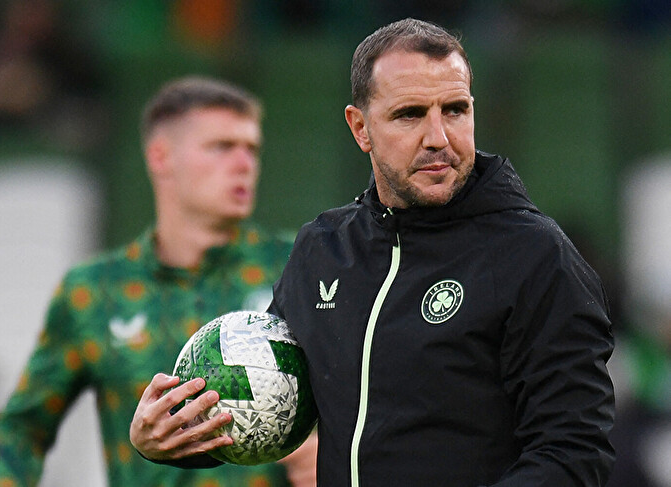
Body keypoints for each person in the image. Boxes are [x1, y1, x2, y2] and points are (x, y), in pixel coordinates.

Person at [130, 19, 615, 486]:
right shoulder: (323, 249)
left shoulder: (535, 256)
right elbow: (271, 408)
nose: (438, 138)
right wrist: (175, 434)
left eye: (454, 110)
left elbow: (574, 452)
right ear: (360, 128)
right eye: (410, 115)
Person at [0, 76, 316, 487]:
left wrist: (329, 444)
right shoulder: (94, 291)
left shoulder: (301, 263)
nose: (244, 164)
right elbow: (19, 432)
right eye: (222, 147)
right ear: (161, 157)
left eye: (252, 149)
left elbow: (367, 395)